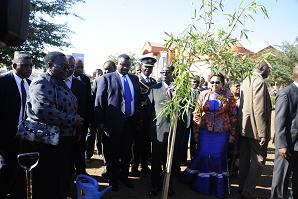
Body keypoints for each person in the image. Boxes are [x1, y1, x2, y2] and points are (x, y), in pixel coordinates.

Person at [19, 51, 84, 199]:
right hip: (46, 143)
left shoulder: (60, 82)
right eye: (63, 67)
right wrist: (73, 120)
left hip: (63, 142)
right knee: (46, 183)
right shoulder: (41, 82)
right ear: (49, 65)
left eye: (68, 67)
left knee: (60, 180)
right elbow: (43, 111)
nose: (67, 70)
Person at [182, 73, 237, 199]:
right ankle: (202, 185)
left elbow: (233, 116)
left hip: (221, 133)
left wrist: (232, 134)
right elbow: (197, 113)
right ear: (208, 83)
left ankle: (217, 187)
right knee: (204, 155)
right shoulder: (204, 94)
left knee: (217, 157)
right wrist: (196, 132)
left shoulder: (227, 96)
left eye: (217, 82)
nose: (214, 84)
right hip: (205, 132)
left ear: (222, 83)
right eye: (212, 82)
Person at [94, 54, 140, 191]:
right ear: (117, 64)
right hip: (111, 125)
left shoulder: (134, 79)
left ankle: (124, 177)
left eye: (127, 65)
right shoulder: (106, 79)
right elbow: (99, 102)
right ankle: (113, 180)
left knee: (126, 153)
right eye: (122, 64)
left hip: (129, 122)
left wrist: (138, 119)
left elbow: (136, 100)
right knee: (112, 154)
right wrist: (100, 124)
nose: (125, 67)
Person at [0, 51, 32, 198]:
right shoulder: (3, 81)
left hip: (24, 136)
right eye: (24, 65)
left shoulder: (30, 84)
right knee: (5, 169)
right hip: (5, 136)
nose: (29, 69)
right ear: (14, 65)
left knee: (19, 170)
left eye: (31, 66)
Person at [239, 61, 272, 199]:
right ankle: (249, 191)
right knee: (258, 161)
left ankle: (242, 188)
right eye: (269, 70)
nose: (269, 73)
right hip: (255, 129)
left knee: (245, 159)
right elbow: (259, 110)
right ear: (263, 68)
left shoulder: (246, 79)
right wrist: (262, 133)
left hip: (245, 128)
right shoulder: (259, 82)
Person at [148, 65, 180, 197]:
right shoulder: (154, 88)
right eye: (162, 72)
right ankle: (155, 186)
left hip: (174, 131)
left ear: (172, 73)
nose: (165, 74)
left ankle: (169, 186)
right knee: (156, 161)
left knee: (170, 161)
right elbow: (149, 111)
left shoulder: (179, 89)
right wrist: (151, 131)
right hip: (159, 131)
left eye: (167, 71)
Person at [270, 64, 298, 199]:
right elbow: (279, 121)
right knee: (281, 181)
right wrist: (281, 145)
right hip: (287, 145)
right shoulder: (285, 93)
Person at [131, 55, 157, 177]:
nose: (148, 69)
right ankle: (134, 166)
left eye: (150, 67)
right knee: (137, 143)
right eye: (146, 67)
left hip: (150, 117)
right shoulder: (135, 80)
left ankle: (145, 165)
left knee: (147, 143)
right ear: (141, 67)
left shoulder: (153, 82)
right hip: (139, 117)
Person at [65, 55, 88, 174]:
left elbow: (83, 108)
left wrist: (80, 130)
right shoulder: (53, 82)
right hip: (57, 128)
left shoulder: (80, 85)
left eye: (72, 67)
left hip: (75, 128)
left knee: (77, 154)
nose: (69, 69)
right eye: (67, 66)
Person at [181, 75, 203, 164]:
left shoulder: (201, 93)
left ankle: (193, 158)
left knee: (195, 140)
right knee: (184, 140)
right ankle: (183, 158)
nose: (194, 84)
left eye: (196, 82)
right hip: (186, 119)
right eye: (193, 82)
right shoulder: (185, 93)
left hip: (197, 120)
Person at [228, 80, 241, 177]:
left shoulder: (243, 99)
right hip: (228, 129)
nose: (238, 88)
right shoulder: (226, 98)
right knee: (228, 151)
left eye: (239, 86)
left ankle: (235, 170)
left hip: (240, 130)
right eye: (236, 86)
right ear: (230, 87)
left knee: (238, 152)